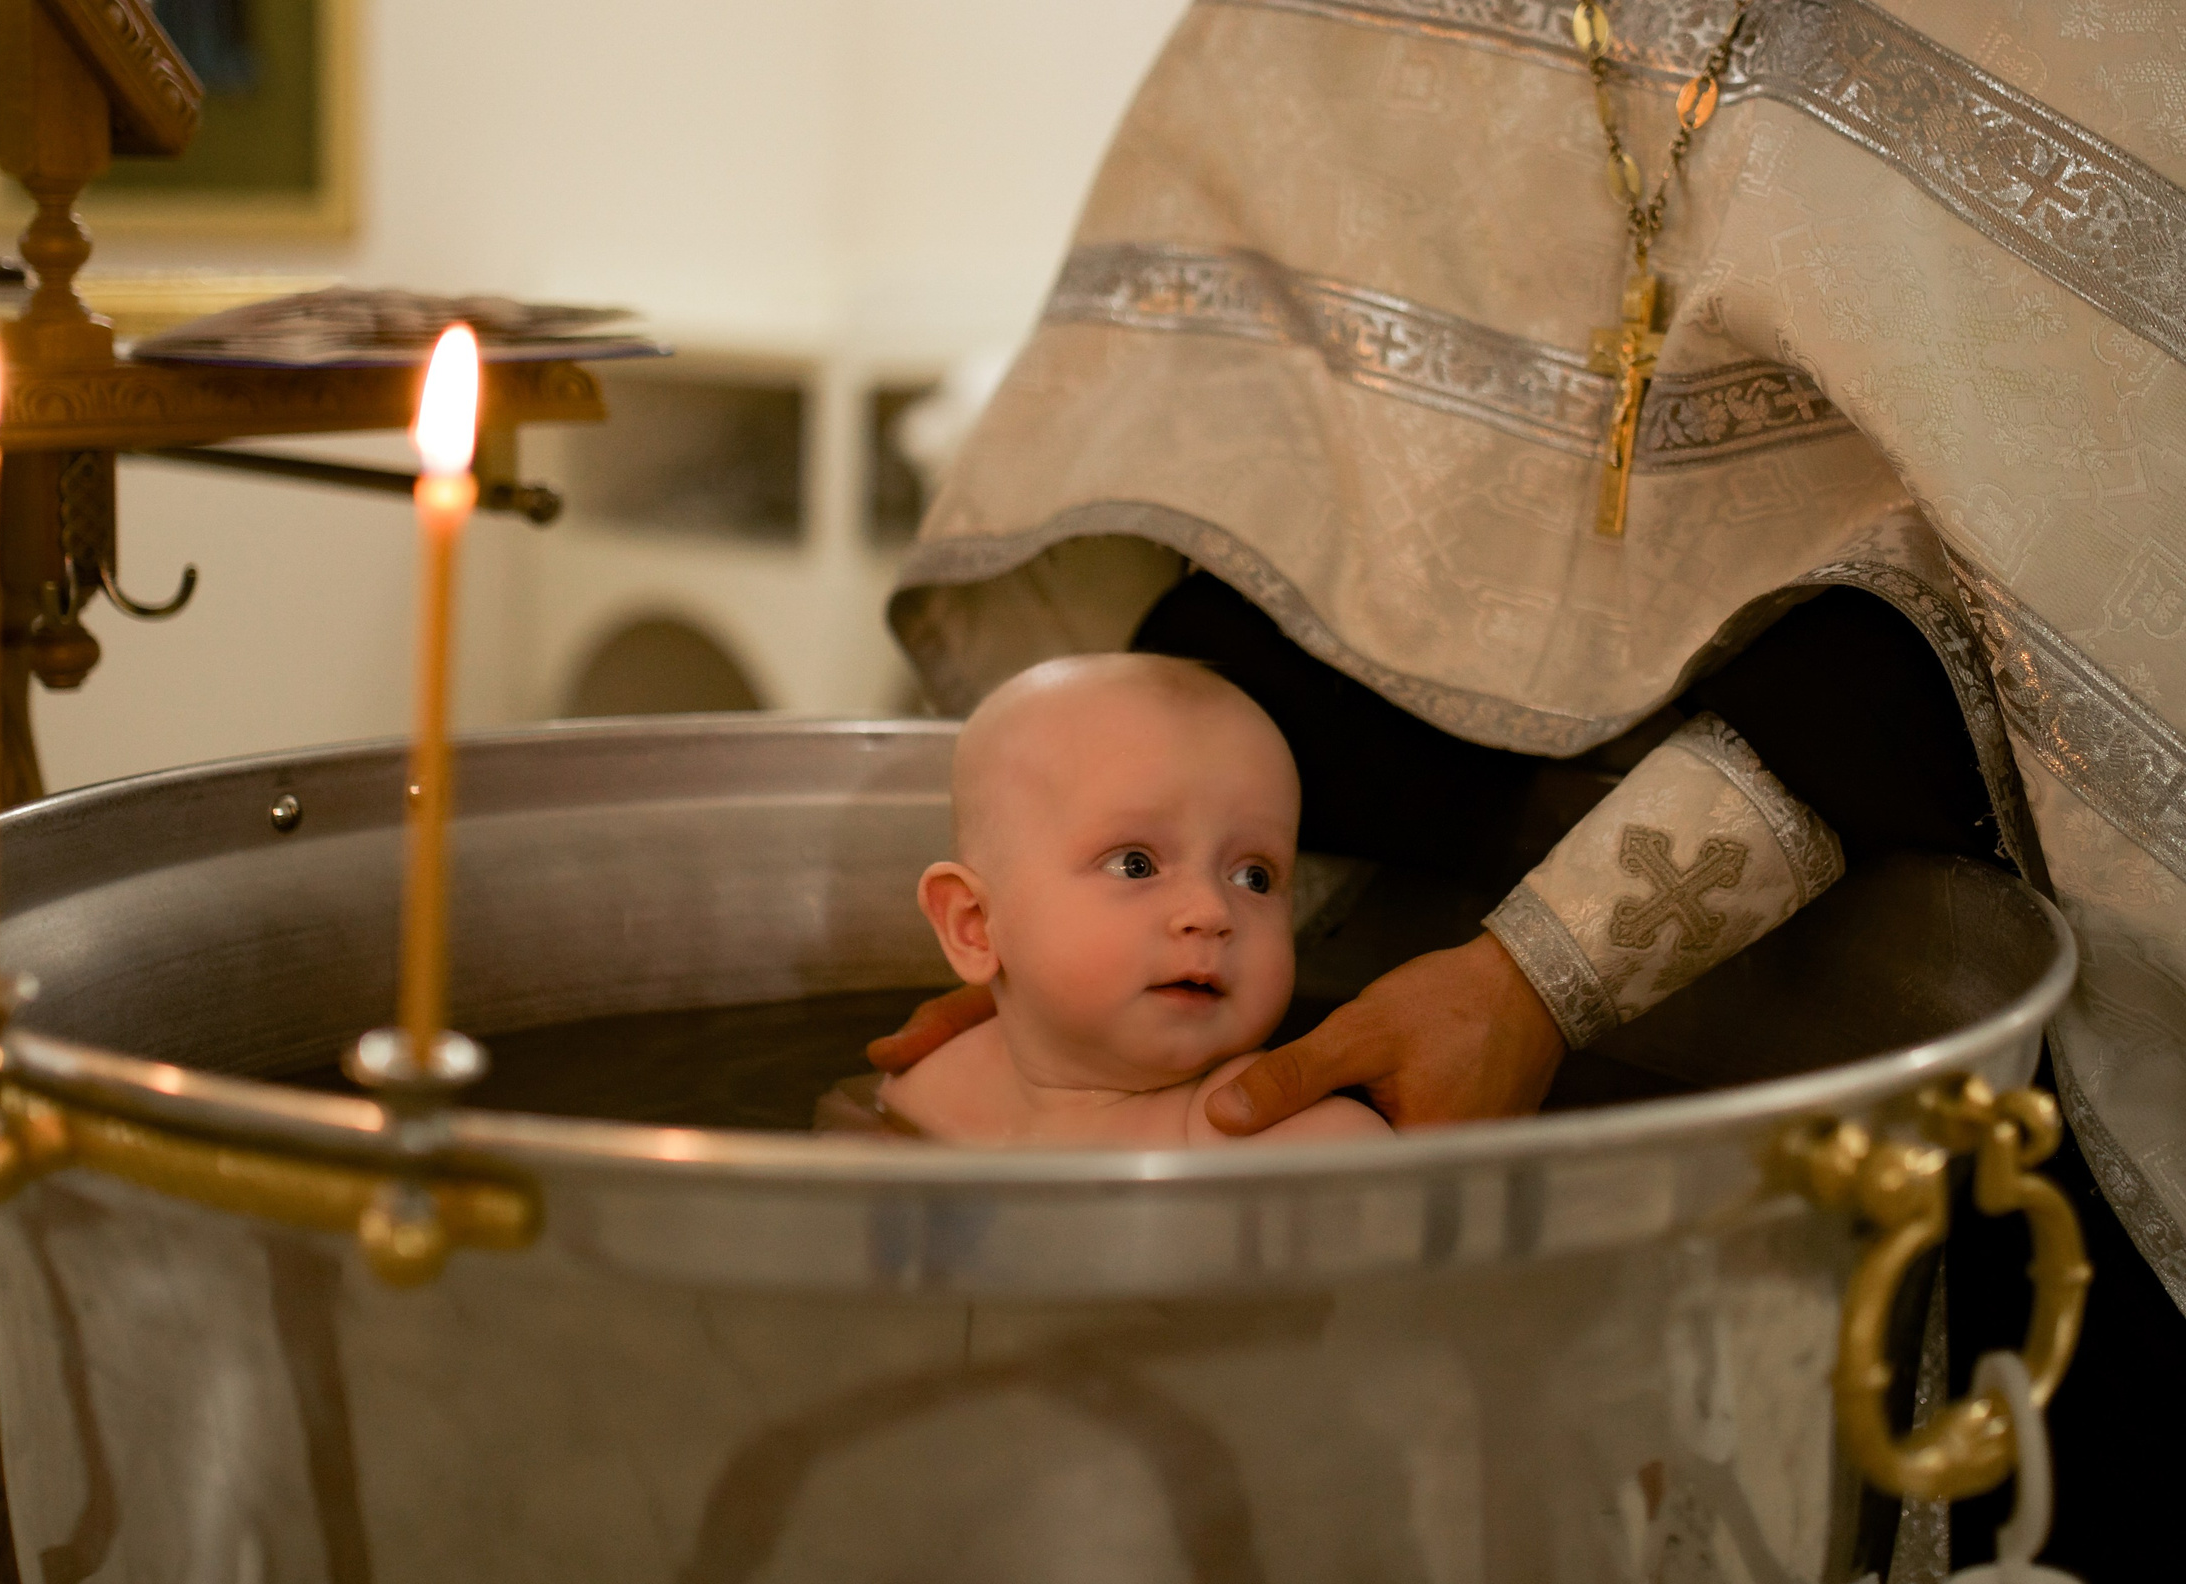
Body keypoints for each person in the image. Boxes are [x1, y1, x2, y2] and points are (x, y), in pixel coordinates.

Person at [869, 2, 2186, 1574]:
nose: (1207, 909)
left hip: (1886, 938)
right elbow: (1259, 482)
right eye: (1151, 874)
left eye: (1244, 880)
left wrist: (1537, 974)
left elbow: (2054, 559)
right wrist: (1068, 943)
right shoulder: (939, 1093)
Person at [872, 653, 1390, 1144]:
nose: (1211, 912)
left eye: (1254, 878)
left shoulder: (1267, 1135)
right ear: (975, 926)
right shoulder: (925, 1092)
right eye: (1135, 865)